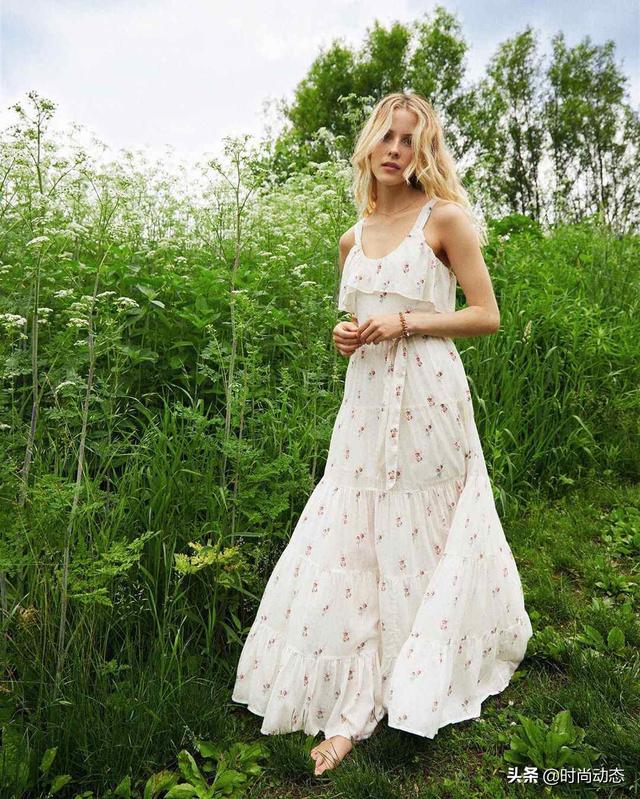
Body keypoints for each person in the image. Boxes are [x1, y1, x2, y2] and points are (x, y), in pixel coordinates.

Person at [232, 91, 533, 777]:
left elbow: (485, 314)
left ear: (424, 152)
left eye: (409, 140)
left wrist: (407, 321)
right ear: (369, 145)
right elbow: (360, 319)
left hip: (428, 392)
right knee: (355, 527)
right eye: (386, 137)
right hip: (366, 399)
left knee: (423, 518)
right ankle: (355, 691)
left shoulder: (444, 219)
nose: (395, 150)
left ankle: (422, 662)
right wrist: (346, 336)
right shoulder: (352, 238)